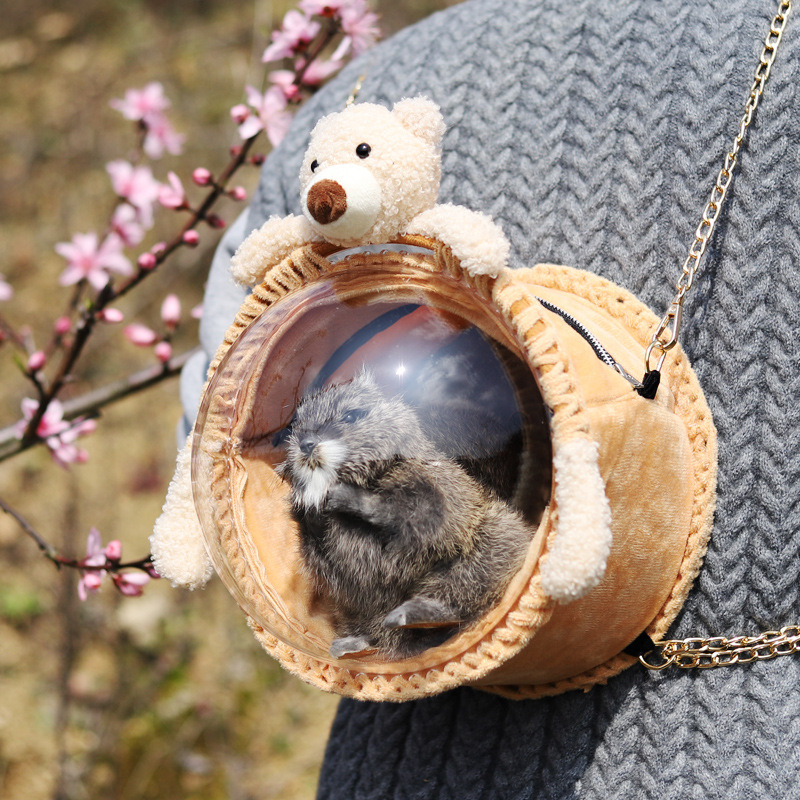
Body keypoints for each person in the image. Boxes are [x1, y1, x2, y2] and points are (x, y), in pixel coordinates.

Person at [180, 0, 800, 796]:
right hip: (754, 744)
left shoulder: (346, 104)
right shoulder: (774, 47)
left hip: (403, 753)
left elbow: (225, 455)